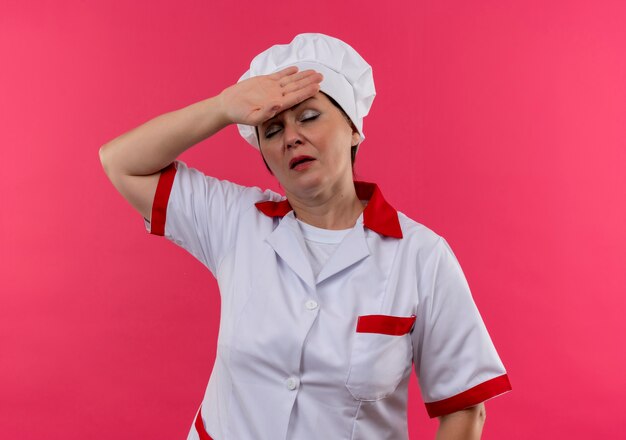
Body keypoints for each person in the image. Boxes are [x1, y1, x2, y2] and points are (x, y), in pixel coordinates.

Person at [99, 33, 511, 440]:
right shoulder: (237, 221)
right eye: (272, 129)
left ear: (353, 129)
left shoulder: (421, 256)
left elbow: (465, 408)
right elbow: (121, 162)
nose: (291, 136)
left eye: (309, 117)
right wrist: (223, 107)